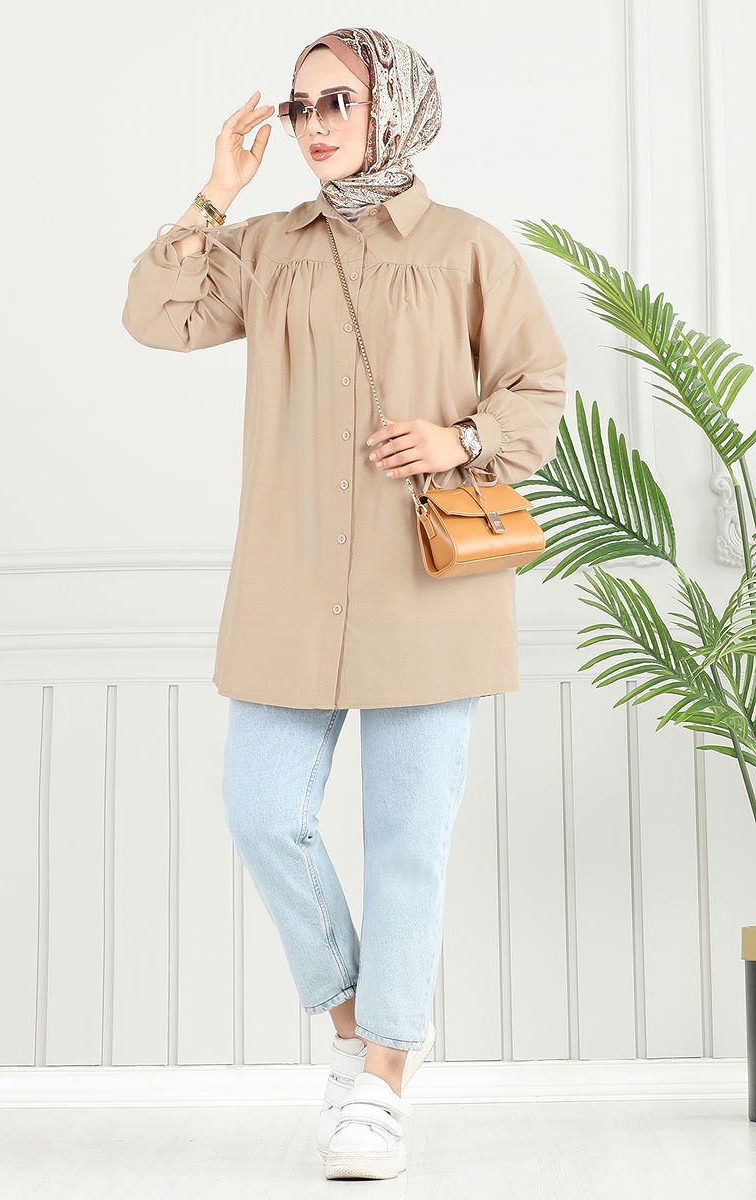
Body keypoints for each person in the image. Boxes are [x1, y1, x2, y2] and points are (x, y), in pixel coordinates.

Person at [122, 25, 568, 1182]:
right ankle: (356, 1018)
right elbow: (157, 318)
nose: (313, 125)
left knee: (404, 842)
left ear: (395, 109)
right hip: (289, 583)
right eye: (299, 106)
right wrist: (216, 194)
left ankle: (378, 1083)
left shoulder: (467, 249)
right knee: (261, 810)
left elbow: (538, 384)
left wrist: (460, 437)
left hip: (426, 586)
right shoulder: (267, 247)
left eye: (337, 102)